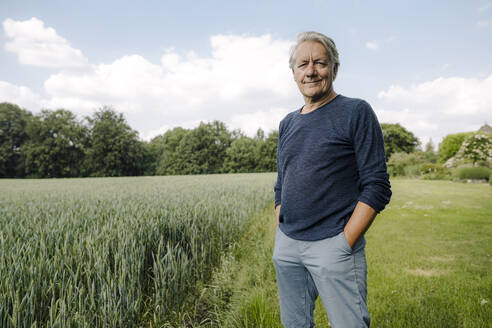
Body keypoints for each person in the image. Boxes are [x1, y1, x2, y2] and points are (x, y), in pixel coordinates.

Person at [272, 31, 392, 328]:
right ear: (294, 73)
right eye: (303, 64)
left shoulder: (355, 111)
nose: (311, 70)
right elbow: (281, 183)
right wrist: (282, 224)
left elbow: (377, 184)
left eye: (320, 63)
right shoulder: (287, 122)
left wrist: (344, 242)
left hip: (334, 245)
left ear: (334, 69)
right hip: (288, 245)